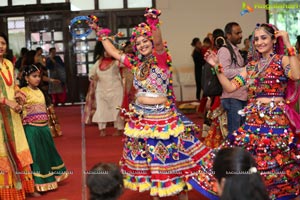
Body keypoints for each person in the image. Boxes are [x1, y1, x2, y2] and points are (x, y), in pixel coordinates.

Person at [89, 8, 209, 200]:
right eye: (138, 42)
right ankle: (156, 194)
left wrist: (153, 23)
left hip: (163, 117)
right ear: (135, 47)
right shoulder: (134, 63)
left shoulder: (160, 59)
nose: (143, 44)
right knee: (150, 156)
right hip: (143, 118)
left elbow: (159, 41)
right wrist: (100, 33)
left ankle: (182, 193)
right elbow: (112, 51)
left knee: (172, 155)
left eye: (146, 41)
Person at [196, 23, 300, 199]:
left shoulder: (282, 60)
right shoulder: (252, 66)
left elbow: (296, 75)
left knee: (280, 163)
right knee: (250, 160)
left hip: (276, 121)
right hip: (254, 121)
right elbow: (229, 87)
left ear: (274, 39)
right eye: (256, 39)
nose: (259, 42)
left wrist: (289, 44)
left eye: (264, 38)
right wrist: (217, 66)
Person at [19, 64, 68, 192]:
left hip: (44, 128)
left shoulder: (39, 91)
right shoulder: (23, 91)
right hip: (32, 130)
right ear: (26, 78)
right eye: (34, 76)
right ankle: (37, 183)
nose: (38, 79)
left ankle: (50, 178)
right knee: (36, 156)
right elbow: (18, 111)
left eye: (39, 76)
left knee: (47, 153)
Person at [0, 32, 37, 199]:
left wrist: (18, 93)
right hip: (2, 116)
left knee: (20, 147)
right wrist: (8, 102)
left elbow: (13, 84)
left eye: (2, 43)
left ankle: (24, 188)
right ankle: (8, 192)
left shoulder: (8, 63)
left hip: (13, 115)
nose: (1, 46)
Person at [87, 41, 124, 136]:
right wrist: (93, 77)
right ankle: (102, 129)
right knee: (101, 109)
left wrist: (120, 54)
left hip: (116, 89)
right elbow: (91, 73)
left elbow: (125, 64)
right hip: (101, 90)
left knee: (117, 109)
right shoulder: (98, 63)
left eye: (108, 51)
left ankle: (119, 129)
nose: (106, 53)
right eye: (105, 51)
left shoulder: (116, 62)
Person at [219, 22, 248, 135]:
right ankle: (231, 153)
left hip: (240, 96)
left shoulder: (236, 50)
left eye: (241, 32)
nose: (240, 35)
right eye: (237, 33)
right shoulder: (225, 51)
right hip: (232, 98)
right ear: (228, 35)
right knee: (234, 133)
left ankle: (238, 153)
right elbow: (224, 72)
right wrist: (244, 70)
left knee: (240, 132)